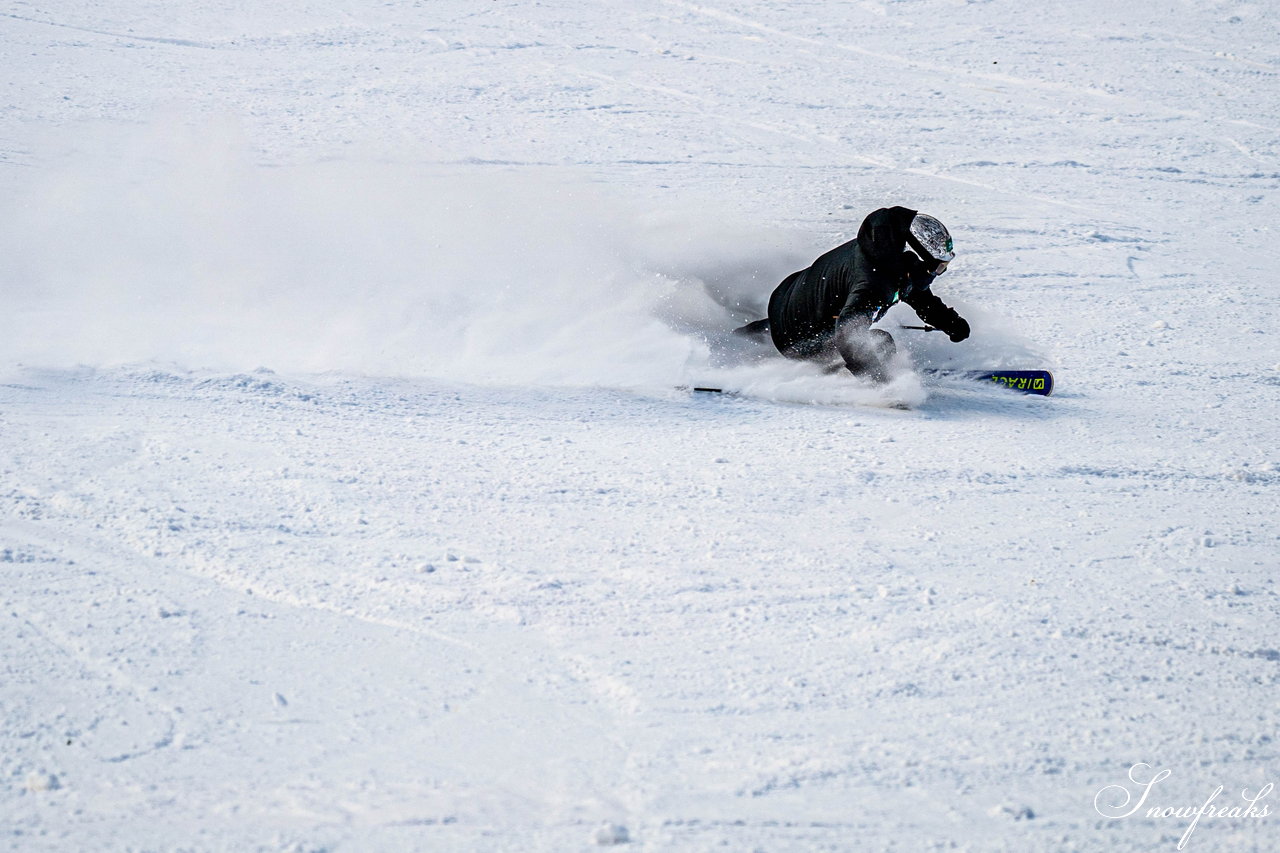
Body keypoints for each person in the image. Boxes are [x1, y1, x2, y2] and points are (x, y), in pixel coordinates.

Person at [736, 206, 969, 382]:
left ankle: (738, 339)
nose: (939, 272)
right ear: (914, 258)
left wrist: (950, 323)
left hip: (788, 301)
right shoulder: (874, 283)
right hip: (800, 339)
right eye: (938, 267)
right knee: (880, 342)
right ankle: (843, 379)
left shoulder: (884, 250)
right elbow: (848, 335)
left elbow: (918, 295)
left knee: (793, 324)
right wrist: (880, 383)